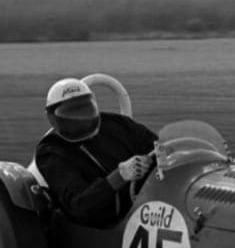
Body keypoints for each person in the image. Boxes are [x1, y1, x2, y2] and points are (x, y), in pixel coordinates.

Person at [35, 78, 157, 228]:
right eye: (70, 113)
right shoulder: (51, 152)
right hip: (103, 226)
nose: (79, 118)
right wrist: (120, 175)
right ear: (53, 117)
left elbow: (157, 147)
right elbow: (79, 206)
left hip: (150, 209)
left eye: (84, 109)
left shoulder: (119, 124)